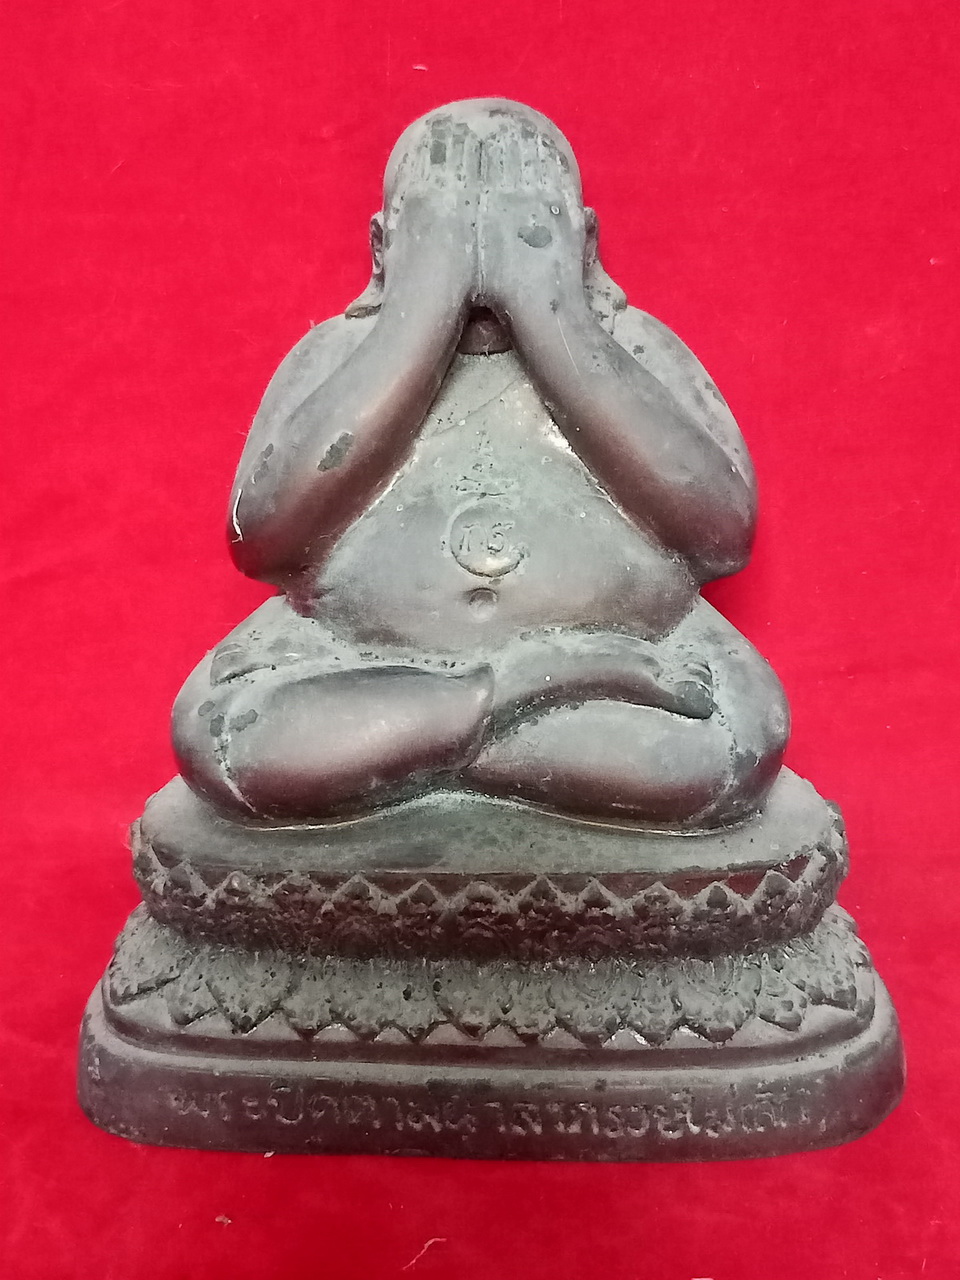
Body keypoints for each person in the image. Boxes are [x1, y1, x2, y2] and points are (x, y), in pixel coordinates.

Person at [172, 100, 789, 826]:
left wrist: (553, 314)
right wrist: (418, 314)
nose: (482, 258)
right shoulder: (337, 355)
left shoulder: (633, 347)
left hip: (637, 649)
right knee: (222, 737)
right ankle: (527, 693)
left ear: (584, 243)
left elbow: (722, 533)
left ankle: (416, 749)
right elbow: (263, 539)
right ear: (383, 249)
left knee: (720, 748)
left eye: (525, 228)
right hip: (360, 656)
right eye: (441, 234)